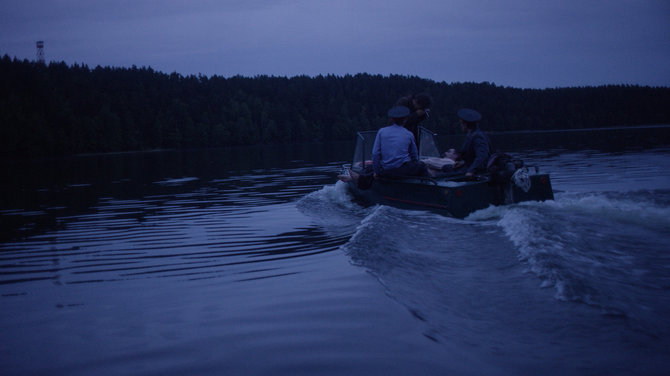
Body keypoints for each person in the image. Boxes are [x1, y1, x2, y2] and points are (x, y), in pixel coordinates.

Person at [371, 105, 429, 179]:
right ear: (405, 119)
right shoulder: (408, 134)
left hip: (386, 170)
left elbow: (375, 154)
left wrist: (377, 172)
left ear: (392, 119)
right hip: (402, 170)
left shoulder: (381, 131)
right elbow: (414, 155)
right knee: (422, 166)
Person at [443, 108, 492, 179]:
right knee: (446, 167)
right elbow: (470, 155)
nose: (461, 126)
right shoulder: (471, 134)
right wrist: (462, 162)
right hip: (467, 166)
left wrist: (471, 171)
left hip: (475, 171)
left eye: (461, 123)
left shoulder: (478, 137)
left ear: (465, 124)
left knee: (441, 176)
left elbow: (482, 156)